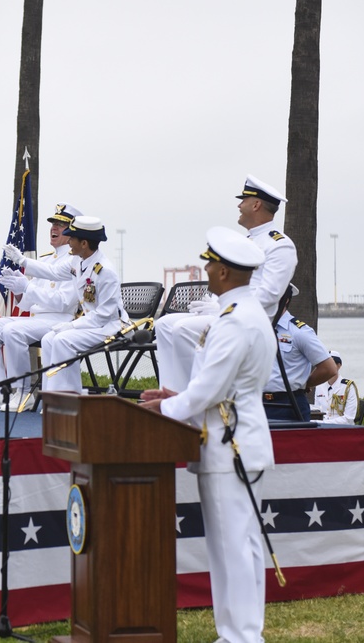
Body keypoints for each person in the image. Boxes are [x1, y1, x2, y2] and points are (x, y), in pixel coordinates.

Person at [141, 226, 276, 643]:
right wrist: (176, 395)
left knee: (232, 546)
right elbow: (215, 385)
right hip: (236, 439)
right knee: (242, 545)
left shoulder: (236, 321)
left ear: (223, 272)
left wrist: (164, 408)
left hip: (227, 447)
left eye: (210, 263)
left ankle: (239, 636)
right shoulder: (243, 313)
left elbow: (210, 389)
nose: (205, 268)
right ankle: (244, 632)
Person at [156, 175, 297, 392]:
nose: (239, 206)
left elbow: (269, 294)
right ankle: (169, 392)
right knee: (163, 325)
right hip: (226, 313)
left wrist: (224, 308)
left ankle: (190, 400)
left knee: (182, 329)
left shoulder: (280, 246)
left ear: (256, 204)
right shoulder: (247, 242)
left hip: (249, 322)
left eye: (243, 201)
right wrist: (214, 302)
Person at [0, 204, 83, 411]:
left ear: (72, 231)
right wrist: (19, 289)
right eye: (53, 224)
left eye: (61, 224)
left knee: (13, 331)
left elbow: (63, 302)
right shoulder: (46, 259)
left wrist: (28, 288)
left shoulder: (76, 261)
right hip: (38, 319)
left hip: (59, 321)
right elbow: (29, 302)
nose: (54, 228)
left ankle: (23, 393)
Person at [40, 216, 129, 394]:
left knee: (63, 340)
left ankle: (69, 396)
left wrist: (72, 325)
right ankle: (51, 394)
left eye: (72, 238)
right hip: (92, 324)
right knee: (48, 339)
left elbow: (104, 314)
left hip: (111, 327)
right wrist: (22, 261)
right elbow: (53, 271)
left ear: (84, 243)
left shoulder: (105, 271)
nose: (69, 241)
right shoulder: (77, 261)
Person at [263, 284, 338, 422]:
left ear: (285, 299)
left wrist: (305, 384)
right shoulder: (258, 327)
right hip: (257, 403)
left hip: (288, 404)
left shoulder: (299, 332)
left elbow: (329, 368)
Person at [314, 351, 360, 424]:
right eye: (324, 365)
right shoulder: (319, 386)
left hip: (341, 429)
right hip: (321, 428)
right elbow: (317, 411)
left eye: (330, 365)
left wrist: (325, 423)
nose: (326, 368)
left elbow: (349, 418)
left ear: (339, 365)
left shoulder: (348, 387)